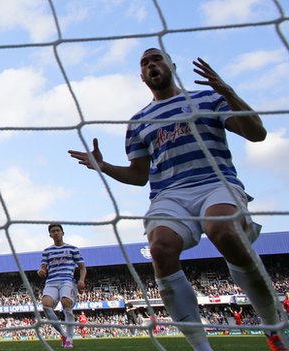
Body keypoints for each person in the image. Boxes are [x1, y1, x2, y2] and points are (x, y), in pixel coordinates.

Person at [68, 47, 286, 351]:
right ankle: (201, 347)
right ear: (141, 77)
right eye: (144, 63)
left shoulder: (207, 99)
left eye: (156, 58)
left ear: (171, 64)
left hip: (215, 183)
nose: (151, 64)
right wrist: (103, 167)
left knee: (221, 229)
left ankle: (272, 325)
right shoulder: (139, 121)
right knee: (160, 248)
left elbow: (257, 134)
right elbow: (139, 175)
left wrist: (230, 92)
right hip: (169, 194)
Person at [37, 223, 86, 349]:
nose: (56, 233)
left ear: (62, 232)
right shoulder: (47, 251)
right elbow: (42, 269)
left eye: (58, 230)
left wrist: (81, 280)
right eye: (53, 231)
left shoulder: (72, 249)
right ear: (50, 235)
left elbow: (82, 267)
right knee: (46, 305)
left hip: (67, 280)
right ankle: (63, 334)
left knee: (66, 303)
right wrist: (41, 272)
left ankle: (69, 338)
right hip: (51, 281)